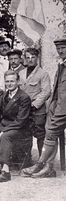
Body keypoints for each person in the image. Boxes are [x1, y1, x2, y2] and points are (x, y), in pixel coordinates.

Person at [22, 38, 66, 179]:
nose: (60, 51)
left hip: (62, 107)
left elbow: (47, 91)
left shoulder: (45, 72)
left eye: (63, 48)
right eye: (58, 49)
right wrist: (53, 106)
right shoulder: (62, 65)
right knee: (49, 132)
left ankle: (41, 164)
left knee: (50, 132)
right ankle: (48, 166)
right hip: (56, 105)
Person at [0, 70, 31, 182]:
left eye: (12, 81)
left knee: (5, 137)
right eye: (7, 81)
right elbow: (1, 114)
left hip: (20, 128)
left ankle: (6, 171)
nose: (9, 84)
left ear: (18, 81)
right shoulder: (5, 95)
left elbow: (21, 121)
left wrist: (3, 131)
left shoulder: (24, 97)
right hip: (5, 125)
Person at [18, 48, 50, 157]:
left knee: (40, 134)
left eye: (33, 57)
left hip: (37, 109)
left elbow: (46, 91)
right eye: (27, 57)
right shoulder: (21, 73)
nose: (30, 60)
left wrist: (35, 105)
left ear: (37, 58)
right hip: (24, 109)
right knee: (25, 133)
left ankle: (42, 160)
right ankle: (26, 160)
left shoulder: (43, 73)